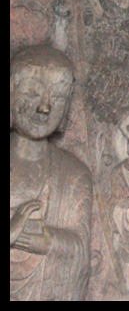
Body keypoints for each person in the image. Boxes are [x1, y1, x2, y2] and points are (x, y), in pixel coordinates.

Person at [10, 45, 92, 301]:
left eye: (57, 97)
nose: (44, 107)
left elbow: (81, 249)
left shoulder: (74, 175)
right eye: (33, 93)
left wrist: (50, 242)